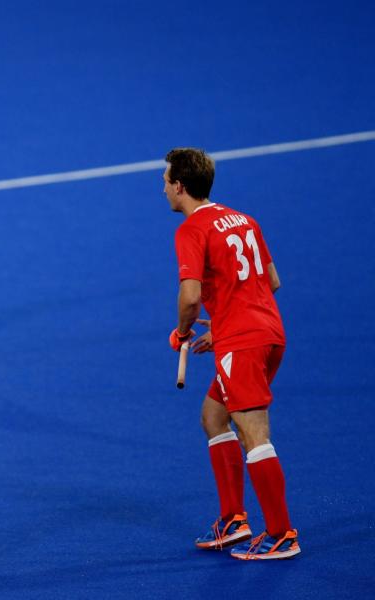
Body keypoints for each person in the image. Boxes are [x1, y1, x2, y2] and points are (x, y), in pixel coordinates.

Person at [164, 147, 300, 560]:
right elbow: (271, 280)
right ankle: (234, 520)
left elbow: (189, 298)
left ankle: (281, 534)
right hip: (267, 333)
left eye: (167, 181)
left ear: (180, 186)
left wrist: (183, 331)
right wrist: (221, 328)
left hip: (243, 342)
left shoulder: (190, 230)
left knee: (254, 434)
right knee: (213, 416)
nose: (164, 189)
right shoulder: (244, 219)